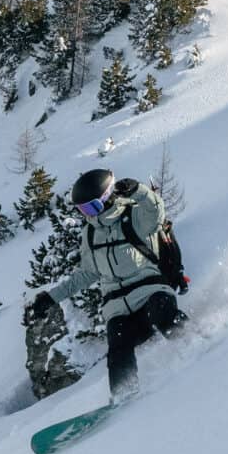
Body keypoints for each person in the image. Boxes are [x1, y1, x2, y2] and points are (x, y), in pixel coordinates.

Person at [34, 167, 187, 402]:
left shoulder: (134, 216)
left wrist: (138, 190)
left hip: (149, 290)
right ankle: (124, 396)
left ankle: (192, 344)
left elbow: (156, 211)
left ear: (107, 198)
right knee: (118, 346)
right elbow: (86, 274)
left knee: (161, 309)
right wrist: (51, 297)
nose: (89, 214)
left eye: (92, 207)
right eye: (82, 210)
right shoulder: (90, 234)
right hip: (117, 306)